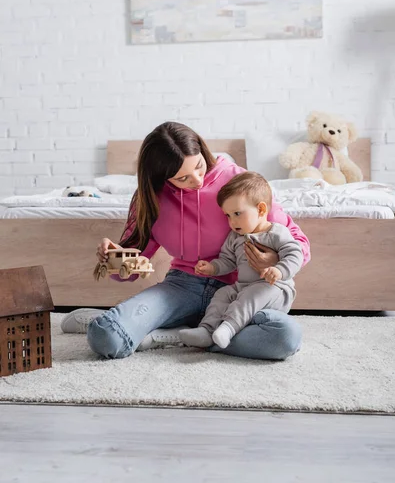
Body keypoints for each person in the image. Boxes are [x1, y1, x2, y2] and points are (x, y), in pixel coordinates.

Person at [61, 121, 310, 360]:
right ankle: (172, 330)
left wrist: (274, 260)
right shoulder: (150, 199)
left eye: (199, 166)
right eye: (183, 178)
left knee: (285, 338)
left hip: (240, 291)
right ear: (161, 177)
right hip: (183, 288)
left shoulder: (241, 183)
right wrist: (113, 259)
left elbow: (299, 243)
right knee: (106, 336)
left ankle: (175, 336)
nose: (197, 180)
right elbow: (131, 269)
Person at [179, 172, 303, 349]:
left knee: (252, 294)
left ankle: (228, 328)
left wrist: (279, 270)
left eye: (237, 213)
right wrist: (212, 268)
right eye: (228, 215)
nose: (232, 221)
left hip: (276, 289)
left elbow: (294, 254)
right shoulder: (235, 237)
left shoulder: (276, 233)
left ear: (261, 210)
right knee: (222, 294)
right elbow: (227, 261)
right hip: (244, 287)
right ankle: (206, 330)